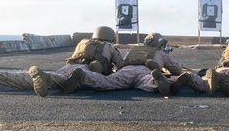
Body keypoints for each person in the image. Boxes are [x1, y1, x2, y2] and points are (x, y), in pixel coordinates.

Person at [0, 26, 123, 96]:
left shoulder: (84, 43)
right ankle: (45, 78)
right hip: (85, 72)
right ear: (110, 37)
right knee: (60, 81)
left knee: (27, 78)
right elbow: (122, 67)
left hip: (70, 66)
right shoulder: (110, 46)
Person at [72, 32, 206, 96]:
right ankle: (158, 81)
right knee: (149, 81)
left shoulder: (134, 49)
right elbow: (176, 69)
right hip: (145, 70)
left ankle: (84, 76)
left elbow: (120, 63)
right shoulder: (160, 53)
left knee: (106, 82)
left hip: (126, 71)